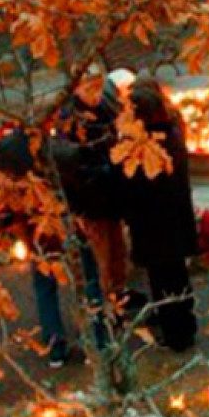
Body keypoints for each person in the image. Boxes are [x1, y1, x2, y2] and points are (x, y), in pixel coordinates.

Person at [0, 129, 108, 367]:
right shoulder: (57, 166)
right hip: (70, 232)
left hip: (40, 240)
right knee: (89, 285)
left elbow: (11, 208)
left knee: (46, 290)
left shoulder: (15, 179)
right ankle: (97, 343)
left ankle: (56, 348)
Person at [120, 78, 199, 351]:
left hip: (154, 227)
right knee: (177, 277)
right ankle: (185, 326)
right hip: (174, 222)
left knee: (163, 281)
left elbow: (134, 188)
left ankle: (176, 334)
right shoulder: (172, 132)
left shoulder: (145, 149)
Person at [56, 64, 132, 304]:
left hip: (112, 193)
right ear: (77, 87)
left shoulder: (105, 105)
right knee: (101, 255)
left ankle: (120, 294)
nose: (96, 92)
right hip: (89, 198)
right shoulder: (69, 119)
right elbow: (68, 162)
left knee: (118, 249)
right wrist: (99, 173)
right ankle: (105, 303)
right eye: (90, 87)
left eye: (99, 86)